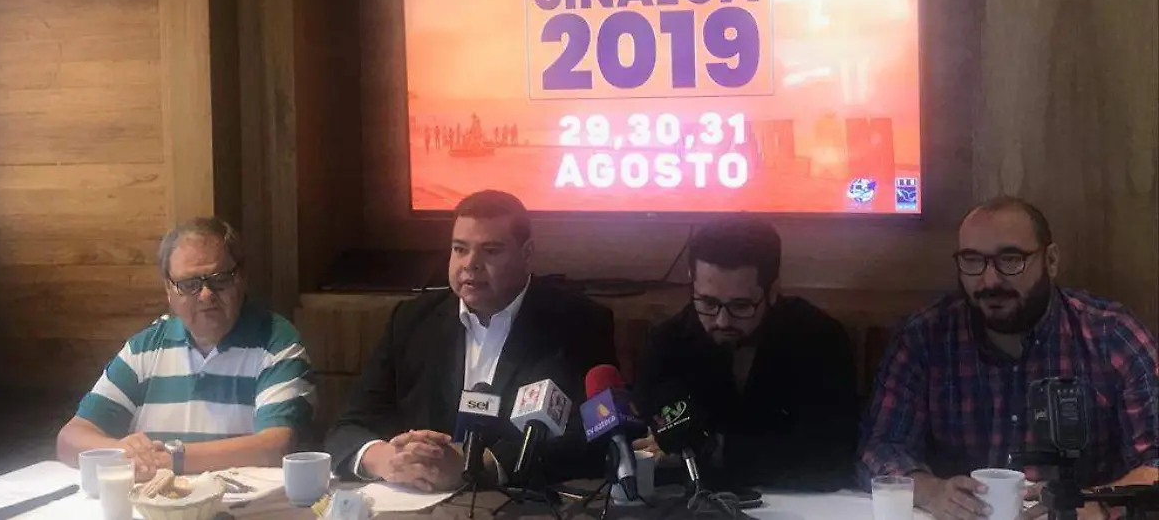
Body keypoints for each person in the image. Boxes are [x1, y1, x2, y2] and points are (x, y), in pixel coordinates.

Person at [859, 196, 1158, 520]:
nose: (990, 281)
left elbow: (1155, 461)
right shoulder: (924, 337)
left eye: (1011, 259)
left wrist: (1095, 503)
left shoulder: (1112, 336)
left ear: (1051, 260)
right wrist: (931, 490)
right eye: (972, 260)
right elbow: (880, 448)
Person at [325, 190, 618, 491]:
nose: (471, 264)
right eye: (460, 249)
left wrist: (479, 464)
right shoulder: (412, 320)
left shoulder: (579, 323)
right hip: (418, 500)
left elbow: (597, 433)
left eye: (491, 251)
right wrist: (386, 459)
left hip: (519, 502)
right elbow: (349, 426)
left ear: (527, 254)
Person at [56, 218, 316, 481]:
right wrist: (122, 451)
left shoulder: (277, 342)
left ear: (242, 278)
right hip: (155, 500)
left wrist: (172, 459)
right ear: (169, 289)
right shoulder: (144, 349)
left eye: (219, 280)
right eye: (190, 284)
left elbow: (275, 446)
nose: (206, 295)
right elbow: (69, 439)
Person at [633, 217, 859, 491]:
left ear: (772, 291)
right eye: (708, 303)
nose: (722, 321)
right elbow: (653, 439)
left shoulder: (819, 338)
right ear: (692, 283)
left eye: (741, 306)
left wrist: (715, 448)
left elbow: (831, 455)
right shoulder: (668, 342)